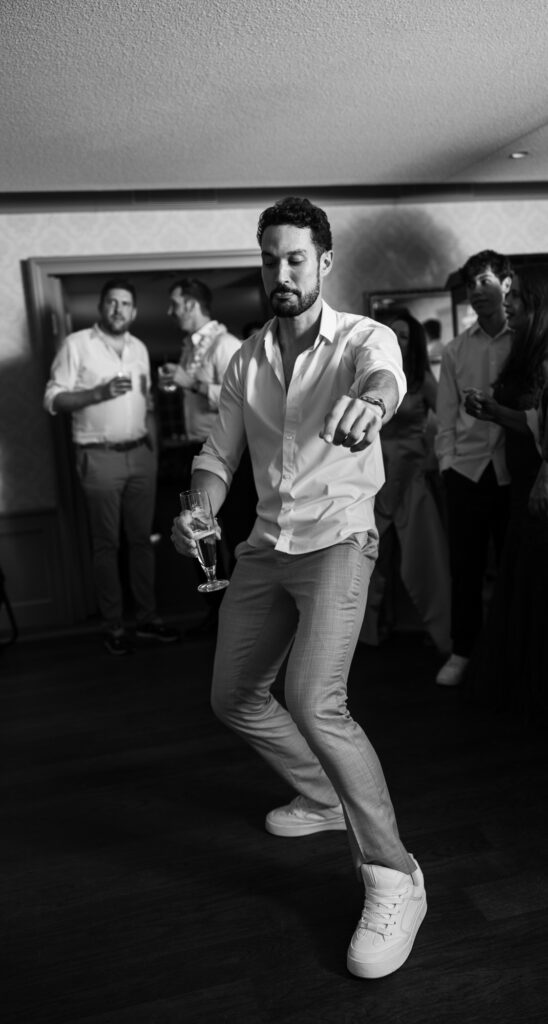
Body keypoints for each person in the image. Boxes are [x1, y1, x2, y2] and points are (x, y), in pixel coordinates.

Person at [171, 197, 426, 979]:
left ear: (323, 262)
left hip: (338, 538)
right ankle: (322, 797)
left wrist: (372, 403)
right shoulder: (245, 361)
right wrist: (198, 510)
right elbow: (217, 457)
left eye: (295, 258)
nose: (280, 272)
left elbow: (384, 378)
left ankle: (395, 874)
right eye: (269, 258)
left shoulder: (361, 338)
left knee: (316, 700)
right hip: (264, 547)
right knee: (234, 694)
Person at [44, 279, 180, 656]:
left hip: (141, 455)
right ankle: (114, 625)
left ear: (134, 312)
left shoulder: (139, 348)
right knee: (107, 543)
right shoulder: (77, 345)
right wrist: (97, 394)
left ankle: (148, 619)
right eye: (112, 302)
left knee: (142, 540)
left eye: (125, 304)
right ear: (101, 307)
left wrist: (153, 452)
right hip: (98, 456)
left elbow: (147, 403)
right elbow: (53, 399)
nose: (118, 309)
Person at [463, 265, 548, 714]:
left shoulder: (543, 351)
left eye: (514, 296)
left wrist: (544, 476)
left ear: (536, 302)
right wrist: (494, 411)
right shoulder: (526, 348)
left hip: (538, 486)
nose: (507, 303)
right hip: (523, 484)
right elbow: (535, 420)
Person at [434, 250, 513, 686]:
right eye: (471, 285)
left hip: (514, 472)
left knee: (515, 568)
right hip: (465, 472)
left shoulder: (526, 339)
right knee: (464, 569)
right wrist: (447, 465)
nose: (477, 291)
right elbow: (445, 417)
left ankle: (513, 652)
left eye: (484, 281)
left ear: (506, 284)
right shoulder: (455, 349)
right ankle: (463, 650)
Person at [163, 278, 256, 634]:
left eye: (174, 304)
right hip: (196, 452)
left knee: (234, 534)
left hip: (227, 455)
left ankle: (243, 617)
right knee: (199, 532)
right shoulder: (189, 347)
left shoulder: (226, 344)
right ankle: (217, 612)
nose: (170, 312)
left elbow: (243, 399)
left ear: (191, 304)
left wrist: (191, 383)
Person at [361, 309, 450, 653]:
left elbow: (449, 420)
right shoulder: (370, 378)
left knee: (423, 557)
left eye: (404, 336)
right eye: (392, 333)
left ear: (414, 344)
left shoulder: (421, 379)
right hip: (376, 478)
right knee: (373, 557)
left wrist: (434, 457)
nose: (397, 340)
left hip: (412, 476)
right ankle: (372, 630)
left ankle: (437, 630)